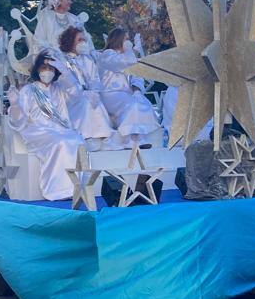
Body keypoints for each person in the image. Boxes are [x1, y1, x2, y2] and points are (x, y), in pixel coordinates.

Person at [11, 50, 87, 200]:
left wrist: (66, 71)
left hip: (60, 128)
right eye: (43, 68)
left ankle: (76, 187)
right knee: (61, 142)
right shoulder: (28, 90)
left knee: (78, 140)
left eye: (51, 68)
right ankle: (57, 190)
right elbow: (19, 120)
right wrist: (15, 105)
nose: (47, 72)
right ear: (37, 70)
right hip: (37, 130)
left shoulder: (59, 89)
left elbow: (77, 94)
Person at [55, 27, 116, 150]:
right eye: (79, 40)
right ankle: (86, 135)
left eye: (84, 39)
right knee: (86, 102)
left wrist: (93, 91)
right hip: (70, 96)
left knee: (95, 101)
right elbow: (65, 82)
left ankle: (101, 135)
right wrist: (82, 92)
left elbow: (95, 78)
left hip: (88, 93)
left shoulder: (87, 59)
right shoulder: (63, 59)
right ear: (71, 41)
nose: (83, 42)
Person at [96, 29, 161, 146]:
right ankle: (130, 138)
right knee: (132, 105)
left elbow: (136, 73)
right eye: (126, 39)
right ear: (118, 39)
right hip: (111, 93)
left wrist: (137, 89)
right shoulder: (107, 54)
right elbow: (123, 63)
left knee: (141, 102)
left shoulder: (125, 56)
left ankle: (138, 135)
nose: (128, 42)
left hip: (126, 93)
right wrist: (132, 50)